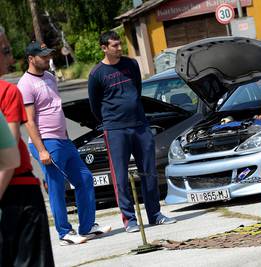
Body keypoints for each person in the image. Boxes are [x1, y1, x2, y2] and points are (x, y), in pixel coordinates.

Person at [17, 41, 111, 245]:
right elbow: (29, 121)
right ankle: (64, 233)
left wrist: (67, 136)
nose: (47, 58)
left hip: (63, 140)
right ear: (31, 59)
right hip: (46, 142)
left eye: (48, 54)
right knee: (57, 187)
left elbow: (56, 110)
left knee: (84, 179)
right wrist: (41, 149)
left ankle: (87, 227)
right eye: (42, 56)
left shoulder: (50, 77)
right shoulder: (25, 85)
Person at [88, 31, 176, 233]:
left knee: (149, 171)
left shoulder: (131, 65)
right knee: (120, 176)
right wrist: (110, 121)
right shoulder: (97, 74)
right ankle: (130, 220)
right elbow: (94, 105)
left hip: (140, 125)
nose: (119, 48)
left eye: (120, 44)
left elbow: (136, 89)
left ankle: (154, 214)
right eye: (114, 46)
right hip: (115, 129)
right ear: (104, 48)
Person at [0, 27, 54, 266]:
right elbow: (8, 160)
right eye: (6, 51)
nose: (11, 59)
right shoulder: (8, 91)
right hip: (18, 198)